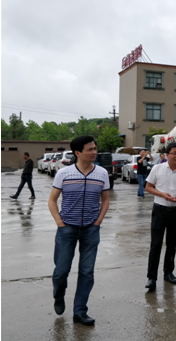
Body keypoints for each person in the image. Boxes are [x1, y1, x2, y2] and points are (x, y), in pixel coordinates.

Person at [48, 136, 110, 326]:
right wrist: (59, 222)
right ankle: (59, 295)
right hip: (67, 228)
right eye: (90, 149)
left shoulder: (102, 173)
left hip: (91, 229)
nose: (94, 152)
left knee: (87, 272)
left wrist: (98, 221)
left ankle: (80, 311)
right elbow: (52, 200)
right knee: (61, 271)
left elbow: (105, 199)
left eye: (95, 148)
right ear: (77, 153)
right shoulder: (64, 173)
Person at [144, 143, 176, 290]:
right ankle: (151, 277)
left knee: (172, 243)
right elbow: (148, 187)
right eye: (174, 153)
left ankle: (168, 272)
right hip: (160, 210)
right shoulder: (157, 168)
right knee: (156, 244)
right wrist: (162, 194)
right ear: (167, 154)